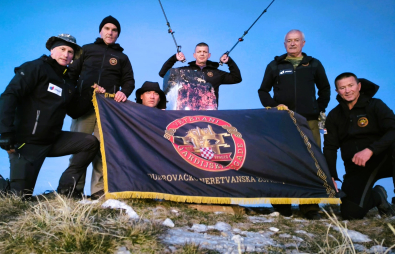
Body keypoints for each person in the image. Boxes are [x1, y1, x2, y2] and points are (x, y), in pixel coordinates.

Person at [0, 34, 99, 199]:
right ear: (52, 51)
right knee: (18, 198)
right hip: (27, 143)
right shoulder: (35, 67)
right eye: (62, 49)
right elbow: (9, 96)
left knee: (89, 142)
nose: (66, 54)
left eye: (70, 52)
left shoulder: (67, 82)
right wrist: (6, 132)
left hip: (52, 141)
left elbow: (74, 111)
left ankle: (66, 191)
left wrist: (90, 94)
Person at [258, 29, 331, 220]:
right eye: (289, 41)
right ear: (284, 44)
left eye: (296, 40)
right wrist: (274, 106)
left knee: (311, 160)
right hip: (283, 121)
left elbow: (325, 89)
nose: (292, 44)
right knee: (281, 160)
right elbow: (263, 91)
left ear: (303, 43)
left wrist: (318, 108)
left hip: (310, 121)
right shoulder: (275, 65)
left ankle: (309, 207)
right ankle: (282, 205)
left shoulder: (314, 64)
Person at [67, 16, 135, 200]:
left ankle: (98, 192)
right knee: (79, 148)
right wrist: (73, 96)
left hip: (107, 111)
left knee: (102, 150)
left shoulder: (122, 57)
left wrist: (124, 92)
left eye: (114, 30)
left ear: (118, 34)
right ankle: (74, 190)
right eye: (107, 28)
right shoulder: (86, 50)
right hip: (84, 107)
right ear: (100, 31)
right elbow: (71, 74)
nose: (110, 32)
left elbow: (129, 81)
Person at [323, 73, 395, 219]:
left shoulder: (375, 105)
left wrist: (371, 150)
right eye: (342, 88)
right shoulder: (334, 116)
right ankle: (378, 196)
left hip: (382, 158)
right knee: (351, 213)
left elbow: (393, 129)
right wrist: (330, 175)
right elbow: (330, 147)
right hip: (357, 166)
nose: (347, 91)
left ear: (359, 86)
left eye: (351, 85)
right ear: (337, 91)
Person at [159, 42, 241, 110]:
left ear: (209, 55)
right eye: (199, 52)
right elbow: (163, 73)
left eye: (205, 52)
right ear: (194, 55)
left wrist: (229, 62)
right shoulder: (184, 71)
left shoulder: (216, 73)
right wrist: (174, 58)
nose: (202, 54)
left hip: (209, 113)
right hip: (185, 112)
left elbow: (236, 78)